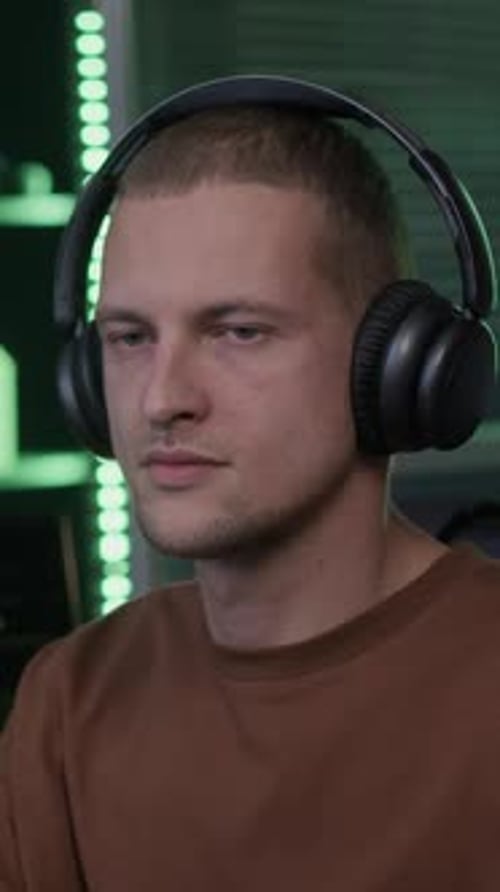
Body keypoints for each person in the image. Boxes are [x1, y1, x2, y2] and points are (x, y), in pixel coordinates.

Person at [1, 76, 500, 891]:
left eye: (238, 331)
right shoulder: (69, 700)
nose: (163, 398)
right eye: (129, 338)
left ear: (400, 367)